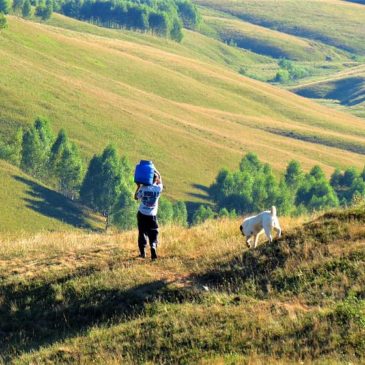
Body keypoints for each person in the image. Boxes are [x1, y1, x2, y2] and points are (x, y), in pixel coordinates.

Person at [134, 170, 163, 260]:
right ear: (156, 179)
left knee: (142, 232)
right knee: (153, 232)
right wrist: (156, 171)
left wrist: (138, 186)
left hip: (142, 213)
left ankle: (143, 253)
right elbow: (160, 179)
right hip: (152, 215)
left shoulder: (143, 188)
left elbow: (136, 197)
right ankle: (153, 247)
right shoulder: (158, 188)